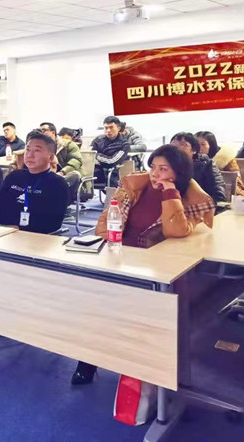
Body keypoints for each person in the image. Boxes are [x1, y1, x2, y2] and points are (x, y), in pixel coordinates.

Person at [83, 144, 216, 385]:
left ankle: (142, 369)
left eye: (163, 169)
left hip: (156, 268)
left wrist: (170, 194)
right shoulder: (134, 186)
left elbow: (176, 231)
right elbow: (105, 224)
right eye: (153, 167)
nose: (155, 174)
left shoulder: (192, 197)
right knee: (94, 304)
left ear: (178, 173)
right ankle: (88, 359)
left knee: (133, 314)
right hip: (120, 258)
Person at [0, 133, 70, 234]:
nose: (30, 155)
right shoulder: (14, 176)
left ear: (51, 157)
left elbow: (53, 222)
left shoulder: (57, 184)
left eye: (37, 151)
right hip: (1, 233)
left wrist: (18, 229)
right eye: (28, 150)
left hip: (34, 237)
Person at [170, 132, 227, 203]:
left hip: (200, 206)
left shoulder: (206, 164)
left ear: (194, 150)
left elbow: (218, 193)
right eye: (173, 144)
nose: (176, 147)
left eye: (183, 144)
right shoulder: (165, 166)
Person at [196, 131, 244, 197]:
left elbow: (237, 184)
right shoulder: (191, 160)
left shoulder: (226, 159)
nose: (199, 148)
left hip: (225, 196)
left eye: (203, 144)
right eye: (196, 144)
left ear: (211, 145)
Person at [43, 123, 82, 202]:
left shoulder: (68, 144)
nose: (41, 132)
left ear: (53, 132)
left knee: (75, 175)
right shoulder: (41, 145)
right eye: (40, 130)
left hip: (64, 174)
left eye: (44, 130)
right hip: (48, 175)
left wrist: (63, 172)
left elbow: (76, 160)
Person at [91, 116, 129, 187]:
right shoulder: (98, 139)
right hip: (97, 171)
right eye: (106, 128)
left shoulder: (124, 144)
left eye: (111, 127)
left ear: (118, 128)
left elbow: (112, 161)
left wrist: (96, 156)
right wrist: (96, 156)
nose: (108, 130)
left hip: (113, 173)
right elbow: (90, 155)